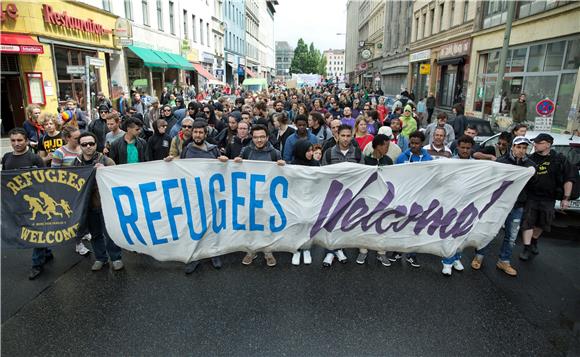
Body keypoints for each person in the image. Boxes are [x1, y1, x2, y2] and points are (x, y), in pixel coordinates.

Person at [168, 120, 229, 274]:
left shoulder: (213, 150)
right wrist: (170, 162)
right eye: (195, 132)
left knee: (213, 225)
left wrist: (224, 161)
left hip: (211, 194)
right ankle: (195, 257)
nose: (197, 135)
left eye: (201, 132)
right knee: (195, 226)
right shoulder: (187, 149)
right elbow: (180, 168)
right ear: (192, 132)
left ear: (205, 134)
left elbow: (222, 171)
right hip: (193, 195)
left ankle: (214, 254)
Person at [471, 136, 536, 276]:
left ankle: (504, 261)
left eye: (525, 148)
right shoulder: (502, 162)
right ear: (512, 147)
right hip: (498, 205)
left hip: (517, 205)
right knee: (490, 231)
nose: (521, 150)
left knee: (511, 236)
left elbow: (531, 187)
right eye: (519, 147)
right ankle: (479, 257)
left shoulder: (530, 166)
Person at [519, 134, 577, 261]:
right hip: (531, 196)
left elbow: (569, 178)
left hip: (549, 198)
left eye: (539, 142)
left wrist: (566, 198)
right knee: (528, 222)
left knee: (543, 223)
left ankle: (534, 241)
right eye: (535, 142)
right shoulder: (530, 159)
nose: (535, 144)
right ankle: (526, 247)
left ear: (548, 144)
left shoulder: (559, 160)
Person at [1, 128, 49, 279]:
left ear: (27, 141)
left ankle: (37, 264)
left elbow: (45, 180)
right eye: (13, 140)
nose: (16, 144)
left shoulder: (34, 158)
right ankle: (46, 251)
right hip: (16, 202)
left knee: (36, 231)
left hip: (33, 202)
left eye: (20, 140)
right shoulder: (7, 157)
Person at [235, 124, 285, 267]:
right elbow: (237, 169)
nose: (259, 140)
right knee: (251, 224)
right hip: (250, 194)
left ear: (267, 137)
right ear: (252, 137)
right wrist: (237, 161)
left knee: (267, 224)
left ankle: (268, 251)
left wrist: (283, 166)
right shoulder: (246, 151)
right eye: (256, 137)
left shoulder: (275, 153)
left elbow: (282, 175)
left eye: (262, 137)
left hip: (268, 195)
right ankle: (251, 250)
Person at [74, 132, 124, 272]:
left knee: (110, 233)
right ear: (80, 146)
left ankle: (116, 258)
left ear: (96, 144)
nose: (88, 147)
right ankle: (100, 258)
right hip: (88, 206)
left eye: (91, 143)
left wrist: (105, 171)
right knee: (95, 234)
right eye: (84, 144)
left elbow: (117, 178)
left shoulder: (106, 160)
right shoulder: (76, 163)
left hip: (105, 205)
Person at [321, 124, 363, 267]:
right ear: (337, 136)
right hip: (333, 195)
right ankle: (329, 252)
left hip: (350, 195)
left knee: (343, 224)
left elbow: (362, 174)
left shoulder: (357, 153)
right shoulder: (328, 153)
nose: (345, 139)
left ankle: (339, 249)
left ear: (352, 136)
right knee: (330, 223)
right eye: (342, 136)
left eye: (348, 136)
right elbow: (323, 174)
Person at [392, 131, 433, 268]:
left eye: (417, 143)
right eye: (412, 143)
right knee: (400, 224)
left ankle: (412, 255)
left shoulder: (428, 159)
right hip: (404, 197)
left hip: (420, 198)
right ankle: (397, 251)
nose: (414, 145)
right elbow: (395, 176)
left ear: (422, 144)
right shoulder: (401, 157)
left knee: (415, 227)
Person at [50, 126, 91, 257]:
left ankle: (84, 232)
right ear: (67, 138)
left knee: (84, 213)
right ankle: (78, 243)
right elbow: (53, 174)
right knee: (74, 217)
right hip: (68, 192)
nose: (80, 140)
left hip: (84, 189)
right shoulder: (59, 153)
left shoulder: (82, 148)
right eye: (76, 138)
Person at [441, 135, 476, 275]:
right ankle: (447, 262)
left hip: (468, 205)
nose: (465, 150)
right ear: (458, 148)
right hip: (450, 204)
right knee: (449, 233)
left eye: (468, 148)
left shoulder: (477, 165)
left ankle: (456, 258)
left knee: (462, 234)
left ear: (471, 149)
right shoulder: (450, 163)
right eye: (463, 147)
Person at [358, 134, 393, 267]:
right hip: (367, 198)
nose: (387, 148)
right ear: (378, 146)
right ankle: (363, 250)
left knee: (382, 226)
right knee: (364, 225)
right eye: (386, 146)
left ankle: (381, 253)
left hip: (383, 199)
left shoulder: (389, 161)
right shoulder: (365, 160)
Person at [290, 139, 318, 266]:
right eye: (308, 151)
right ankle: (296, 250)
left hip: (311, 199)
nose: (311, 153)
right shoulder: (292, 165)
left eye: (312, 150)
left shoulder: (315, 164)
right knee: (297, 224)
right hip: (296, 199)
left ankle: (307, 249)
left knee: (308, 224)